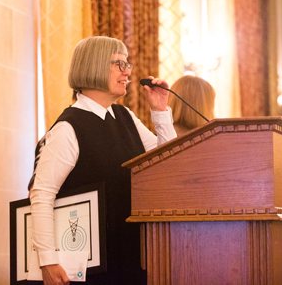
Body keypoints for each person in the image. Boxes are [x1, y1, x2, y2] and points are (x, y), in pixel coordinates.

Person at [28, 36, 177, 285]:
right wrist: (48, 260)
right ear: (93, 66)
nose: (127, 71)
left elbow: (165, 163)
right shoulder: (68, 127)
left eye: (127, 64)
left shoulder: (124, 116)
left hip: (131, 254)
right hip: (90, 266)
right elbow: (42, 194)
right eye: (119, 63)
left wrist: (160, 110)